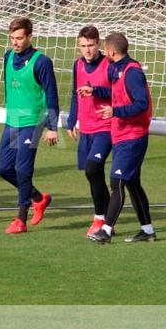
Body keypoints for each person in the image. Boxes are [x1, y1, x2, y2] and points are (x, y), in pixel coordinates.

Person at [88, 33, 156, 243]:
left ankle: (106, 230)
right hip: (121, 135)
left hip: (133, 136)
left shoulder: (132, 71)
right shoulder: (115, 68)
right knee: (132, 183)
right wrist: (94, 90)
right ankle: (148, 231)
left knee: (117, 181)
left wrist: (115, 111)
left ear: (111, 52)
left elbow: (141, 103)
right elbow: (113, 91)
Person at [0, 17, 59, 234]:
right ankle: (38, 198)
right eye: (12, 38)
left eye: (20, 38)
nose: (15, 42)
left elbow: (51, 94)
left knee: (23, 169)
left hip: (33, 122)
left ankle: (20, 219)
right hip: (12, 122)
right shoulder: (7, 57)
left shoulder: (41, 62)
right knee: (3, 168)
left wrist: (52, 126)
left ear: (30, 37)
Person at [66, 26, 112, 238]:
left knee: (93, 169)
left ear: (99, 44)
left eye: (91, 45)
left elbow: (118, 92)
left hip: (105, 128)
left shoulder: (109, 65)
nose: (87, 50)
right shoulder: (77, 65)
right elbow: (75, 95)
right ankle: (111, 212)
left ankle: (99, 218)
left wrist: (97, 91)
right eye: (83, 46)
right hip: (86, 128)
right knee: (93, 174)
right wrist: (71, 120)